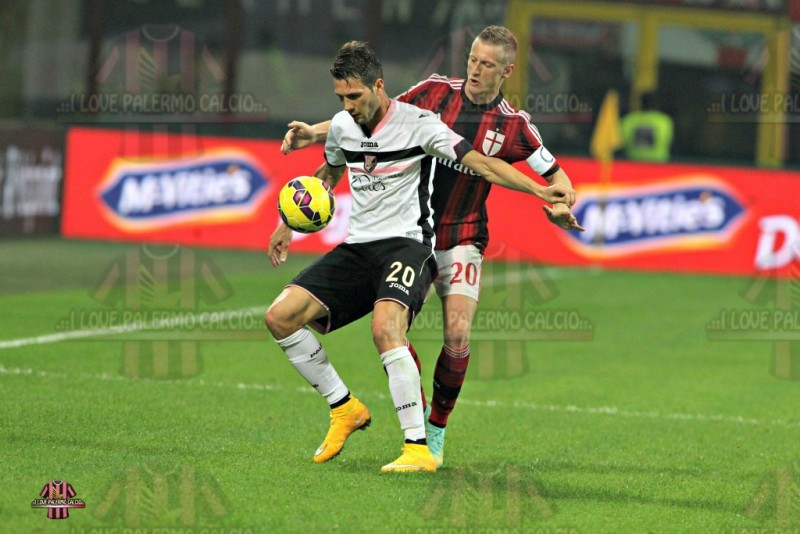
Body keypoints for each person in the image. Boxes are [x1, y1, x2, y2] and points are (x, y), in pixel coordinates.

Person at [276, 27, 583, 468]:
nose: (475, 70)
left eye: (487, 64)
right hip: (407, 234)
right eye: (473, 59)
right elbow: (374, 114)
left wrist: (559, 202)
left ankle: (434, 429)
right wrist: (315, 134)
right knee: (391, 328)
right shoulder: (435, 93)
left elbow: (554, 176)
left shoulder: (514, 125)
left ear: (506, 71)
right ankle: (413, 415)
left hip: (459, 236)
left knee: (455, 334)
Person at [620, 92, 674, 162]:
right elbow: (668, 140)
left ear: (640, 103)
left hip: (633, 162)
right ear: (656, 104)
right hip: (658, 163)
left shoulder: (629, 119)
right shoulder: (664, 120)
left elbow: (622, 141)